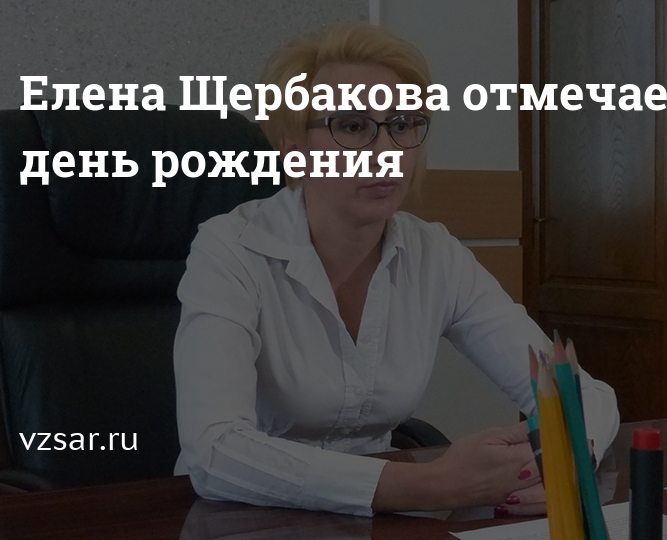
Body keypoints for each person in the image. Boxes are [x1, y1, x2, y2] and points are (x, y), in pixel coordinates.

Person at [173, 22, 619, 518]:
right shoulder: (230, 249)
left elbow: (582, 394)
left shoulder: (435, 255)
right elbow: (214, 450)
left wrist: (565, 458)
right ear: (292, 146)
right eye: (352, 126)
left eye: (402, 124)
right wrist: (431, 486)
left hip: (383, 519)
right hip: (241, 516)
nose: (385, 151)